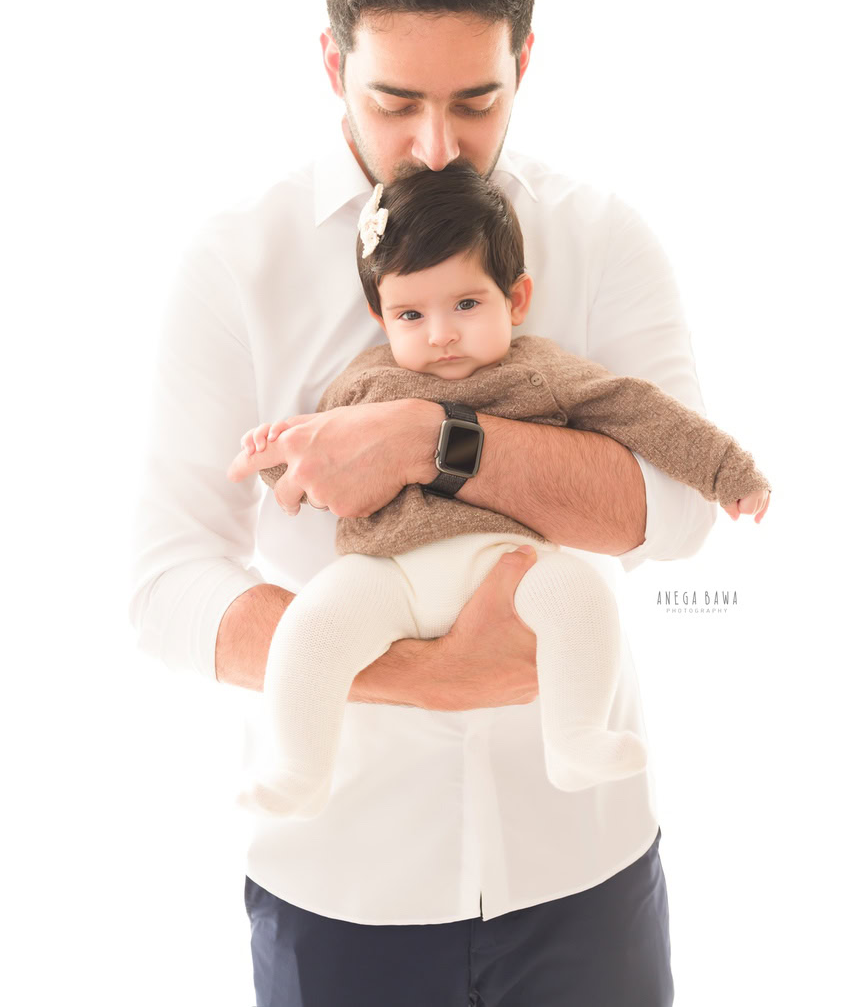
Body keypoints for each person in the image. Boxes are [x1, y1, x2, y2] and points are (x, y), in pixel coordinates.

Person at [130, 0, 752, 1005]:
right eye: (393, 100)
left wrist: (433, 440)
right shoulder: (234, 263)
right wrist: (424, 677)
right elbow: (165, 585)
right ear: (331, 66)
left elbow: (680, 510)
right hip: (339, 882)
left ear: (526, 60)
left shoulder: (603, 239)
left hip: (585, 862)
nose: (432, 145)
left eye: (477, 100)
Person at [231, 159, 770, 821]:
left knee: (582, 596)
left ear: (513, 300)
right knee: (312, 624)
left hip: (508, 562)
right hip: (386, 574)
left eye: (465, 304)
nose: (440, 334)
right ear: (380, 314)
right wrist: (272, 459)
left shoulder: (540, 370)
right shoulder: (360, 385)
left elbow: (642, 411)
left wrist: (726, 471)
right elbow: (315, 466)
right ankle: (299, 769)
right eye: (410, 313)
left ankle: (574, 741)